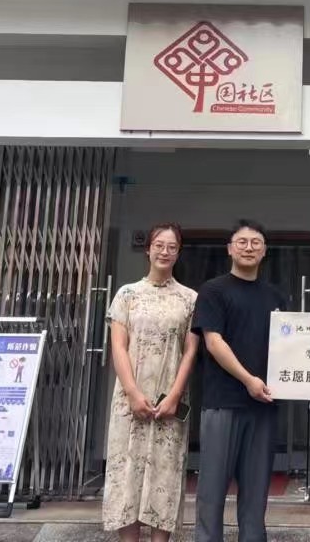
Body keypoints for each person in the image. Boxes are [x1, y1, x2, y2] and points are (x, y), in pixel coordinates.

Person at [102, 223, 199, 542]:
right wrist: (132, 392)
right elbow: (119, 346)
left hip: (170, 400)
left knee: (165, 473)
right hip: (129, 399)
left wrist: (174, 395)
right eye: (159, 245)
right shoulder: (127, 294)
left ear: (179, 253)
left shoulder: (189, 298)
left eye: (172, 247)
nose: (164, 252)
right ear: (148, 249)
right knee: (126, 473)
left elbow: (190, 351)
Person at [192, 219, 287, 542]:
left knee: (256, 493)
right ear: (230, 249)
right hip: (223, 402)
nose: (249, 248)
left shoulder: (276, 296)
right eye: (242, 242)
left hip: (264, 405)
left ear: (265, 251)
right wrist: (248, 379)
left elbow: (289, 346)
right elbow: (213, 342)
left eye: (255, 243)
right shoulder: (213, 290)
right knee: (212, 491)